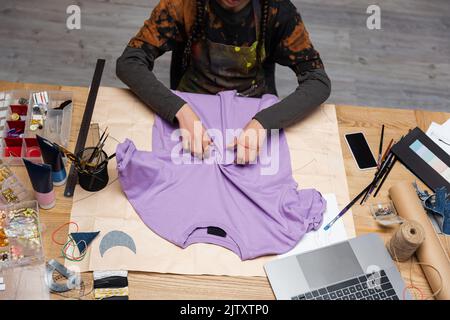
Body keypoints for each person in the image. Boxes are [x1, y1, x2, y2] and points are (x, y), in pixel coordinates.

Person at [116, 0, 331, 164]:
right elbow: (129, 62)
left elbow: (317, 81)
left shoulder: (278, 11)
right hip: (193, 104)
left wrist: (265, 122)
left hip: (251, 106)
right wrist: (179, 110)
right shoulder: (183, 5)